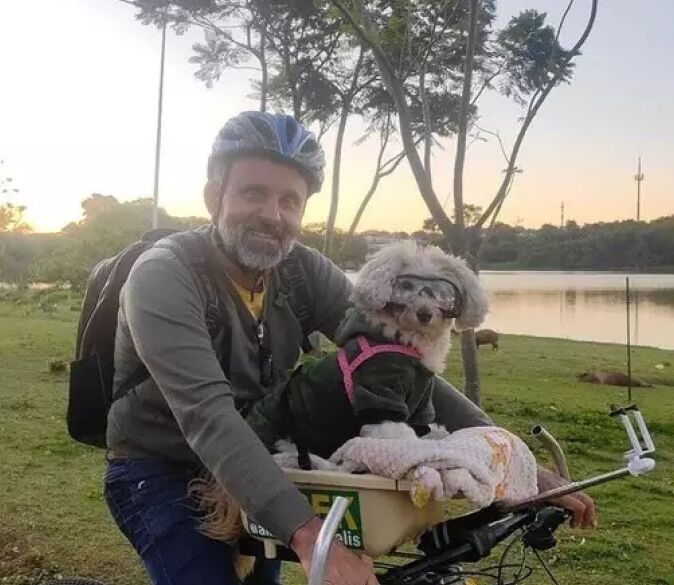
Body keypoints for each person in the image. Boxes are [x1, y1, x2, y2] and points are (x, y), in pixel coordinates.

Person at [102, 111, 596, 585]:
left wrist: (515, 464)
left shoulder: (300, 271)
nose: (272, 216)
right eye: (253, 193)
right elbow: (207, 416)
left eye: (290, 201)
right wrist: (307, 534)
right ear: (214, 196)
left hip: (264, 464)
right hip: (160, 468)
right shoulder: (164, 275)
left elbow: (401, 364)